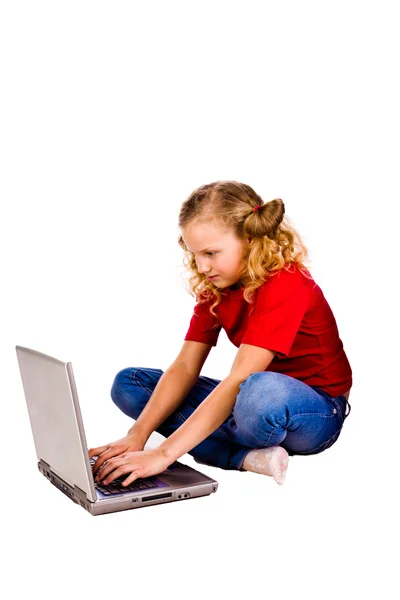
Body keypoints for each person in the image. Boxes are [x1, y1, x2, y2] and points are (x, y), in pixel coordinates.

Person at [89, 180, 352, 486]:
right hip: (246, 394)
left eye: (211, 253)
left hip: (315, 410)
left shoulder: (285, 282)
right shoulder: (218, 286)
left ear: (252, 240)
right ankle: (247, 458)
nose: (201, 266)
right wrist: (138, 435)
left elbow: (241, 378)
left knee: (258, 394)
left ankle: (222, 449)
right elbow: (186, 367)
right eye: (195, 254)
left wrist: (162, 453)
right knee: (129, 384)